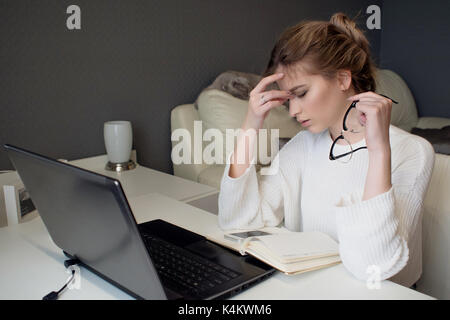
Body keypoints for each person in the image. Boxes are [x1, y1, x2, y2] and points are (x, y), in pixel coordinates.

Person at [217, 12, 435, 288]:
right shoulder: (302, 146)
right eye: (288, 98)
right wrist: (251, 124)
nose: (293, 111)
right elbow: (238, 221)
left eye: (302, 93)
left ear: (343, 79)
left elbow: (375, 268)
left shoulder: (413, 152)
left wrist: (378, 151)